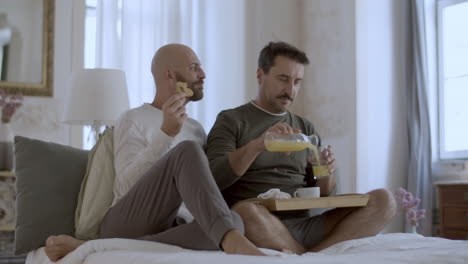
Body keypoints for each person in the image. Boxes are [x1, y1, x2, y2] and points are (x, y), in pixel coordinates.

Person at [44, 44, 266, 262]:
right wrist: (165, 135)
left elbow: (201, 191)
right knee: (186, 152)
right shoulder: (133, 119)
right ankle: (231, 241)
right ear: (170, 75)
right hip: (128, 219)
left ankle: (99, 247)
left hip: (175, 224)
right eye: (194, 67)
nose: (203, 74)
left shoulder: (195, 128)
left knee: (233, 222)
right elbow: (124, 187)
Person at [206, 41, 396, 254]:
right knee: (243, 211)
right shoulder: (231, 120)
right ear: (260, 75)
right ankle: (313, 255)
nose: (290, 90)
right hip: (259, 223)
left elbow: (324, 193)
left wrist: (327, 171)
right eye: (283, 79)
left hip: (308, 224)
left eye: (297, 82)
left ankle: (307, 257)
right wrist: (258, 145)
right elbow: (213, 178)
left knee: (384, 200)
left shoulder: (304, 126)